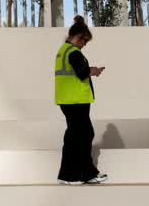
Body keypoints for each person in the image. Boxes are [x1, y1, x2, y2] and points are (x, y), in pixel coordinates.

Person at [54, 15, 108, 185]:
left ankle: (68, 175)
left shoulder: (63, 50)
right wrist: (94, 70)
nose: (85, 45)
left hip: (67, 100)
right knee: (84, 135)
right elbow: (82, 72)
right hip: (75, 100)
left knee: (73, 137)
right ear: (78, 37)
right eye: (85, 41)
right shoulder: (73, 52)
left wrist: (90, 70)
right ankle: (85, 174)